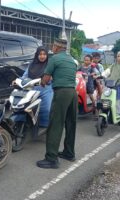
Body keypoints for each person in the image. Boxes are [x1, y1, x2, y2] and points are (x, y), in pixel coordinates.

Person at [37, 38, 78, 169]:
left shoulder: (54, 59)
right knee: (70, 124)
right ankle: (69, 153)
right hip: (73, 93)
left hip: (62, 93)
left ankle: (51, 158)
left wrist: (42, 82)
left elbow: (46, 79)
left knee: (55, 124)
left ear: (56, 47)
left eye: (53, 46)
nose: (52, 48)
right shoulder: (71, 60)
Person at [20, 46, 53, 127]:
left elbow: (53, 77)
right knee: (24, 107)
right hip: (32, 89)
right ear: (37, 55)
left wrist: (50, 78)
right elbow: (25, 76)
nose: (42, 56)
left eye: (44, 54)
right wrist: (18, 80)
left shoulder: (50, 65)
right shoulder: (32, 64)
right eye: (40, 54)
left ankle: (45, 126)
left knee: (46, 109)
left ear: (47, 55)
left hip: (46, 89)